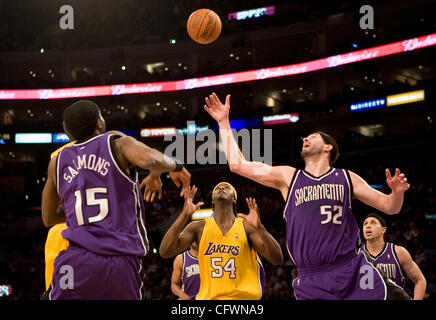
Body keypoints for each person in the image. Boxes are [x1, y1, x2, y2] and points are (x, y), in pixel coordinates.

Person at [204, 92, 411, 300]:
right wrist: (223, 122)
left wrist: (397, 193)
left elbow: (390, 207)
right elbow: (238, 165)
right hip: (310, 278)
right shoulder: (288, 176)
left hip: (351, 270)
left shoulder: (347, 178)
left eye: (312, 137)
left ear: (328, 147)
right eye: (305, 137)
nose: (305, 139)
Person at [41, 100, 191, 299]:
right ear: (99, 123)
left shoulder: (56, 162)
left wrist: (83, 217)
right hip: (117, 258)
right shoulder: (116, 143)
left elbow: (49, 217)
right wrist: (176, 167)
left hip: (74, 262)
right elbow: (148, 159)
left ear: (68, 133)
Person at [159, 183, 283, 300]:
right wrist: (184, 215)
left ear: (234, 199)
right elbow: (165, 251)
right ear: (212, 201)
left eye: (227, 187)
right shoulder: (199, 227)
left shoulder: (246, 227)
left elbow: (277, 259)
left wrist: (260, 228)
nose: (221, 188)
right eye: (218, 188)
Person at [361, 212, 427, 300]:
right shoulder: (356, 255)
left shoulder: (398, 252)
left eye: (373, 222)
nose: (367, 226)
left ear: (383, 230)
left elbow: (420, 280)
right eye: (365, 223)